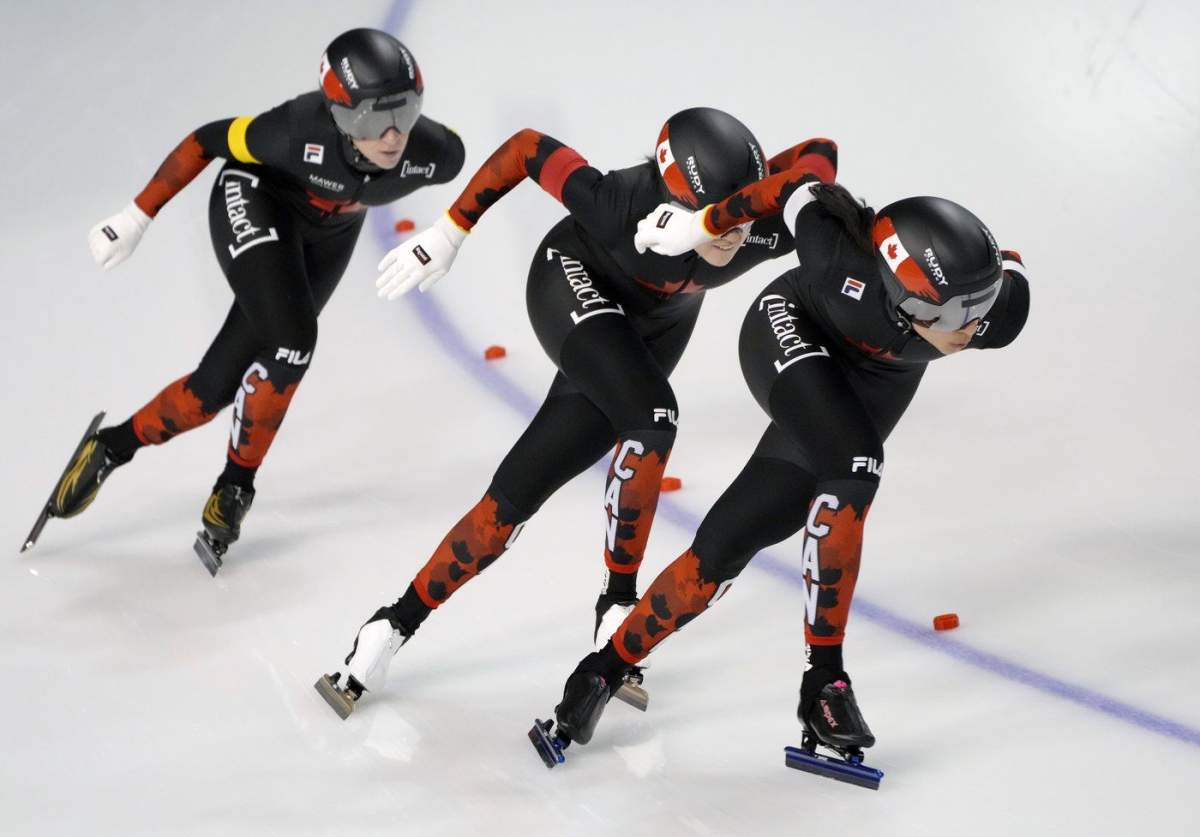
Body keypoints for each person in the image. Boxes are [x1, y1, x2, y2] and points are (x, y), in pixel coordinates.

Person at [314, 107, 839, 717]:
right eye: (716, 219)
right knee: (654, 415)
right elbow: (528, 147)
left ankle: (388, 627)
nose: (732, 237)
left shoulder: (753, 222)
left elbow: (820, 152)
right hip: (571, 284)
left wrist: (730, 214)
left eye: (740, 218)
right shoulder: (618, 202)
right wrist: (450, 231)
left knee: (515, 496)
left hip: (652, 331)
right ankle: (618, 602)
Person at [532, 181, 1030, 777]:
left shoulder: (996, 310)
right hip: (789, 331)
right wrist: (702, 225)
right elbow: (799, 184)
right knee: (855, 463)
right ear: (900, 295)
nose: (970, 327)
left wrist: (983, 285)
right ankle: (826, 683)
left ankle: (601, 670)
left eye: (979, 305)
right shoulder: (835, 256)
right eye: (949, 312)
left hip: (872, 385)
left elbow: (1002, 276)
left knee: (730, 542)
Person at [31, 29, 464, 573]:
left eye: (405, 109)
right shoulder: (293, 131)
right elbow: (206, 140)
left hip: (331, 232)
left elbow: (479, 174)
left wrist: (451, 234)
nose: (394, 132)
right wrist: (136, 216)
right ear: (338, 114)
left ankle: (110, 447)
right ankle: (236, 487)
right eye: (374, 118)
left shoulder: (435, 154)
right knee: (294, 341)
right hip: (257, 199)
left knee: (209, 392)